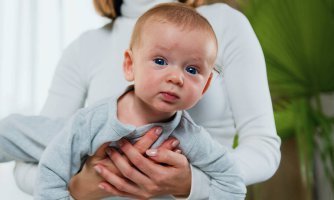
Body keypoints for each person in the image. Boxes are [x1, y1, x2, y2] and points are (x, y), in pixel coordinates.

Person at [6, 0, 281, 199]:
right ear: (129, 65)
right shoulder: (85, 53)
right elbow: (31, 165)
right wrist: (83, 187)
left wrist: (189, 184)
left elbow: (260, 151)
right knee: (14, 131)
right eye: (159, 61)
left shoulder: (222, 24)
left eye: (192, 69)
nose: (175, 78)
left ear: (206, 83)